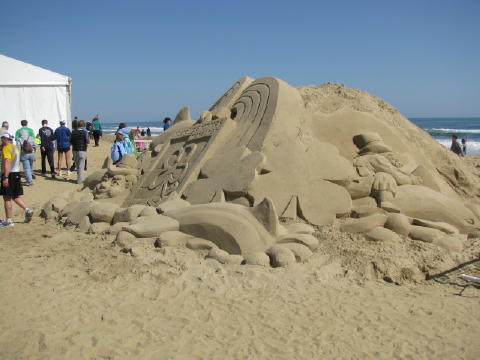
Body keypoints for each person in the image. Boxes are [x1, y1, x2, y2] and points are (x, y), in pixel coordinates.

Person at [0, 132, 33, 227]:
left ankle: (8, 220)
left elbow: (7, 162)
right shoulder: (15, 147)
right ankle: (27, 210)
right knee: (15, 195)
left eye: (2, 139)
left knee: (7, 197)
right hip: (17, 173)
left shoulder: (6, 148)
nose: (2, 140)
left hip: (9, 174)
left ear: (5, 139)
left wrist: (5, 177)